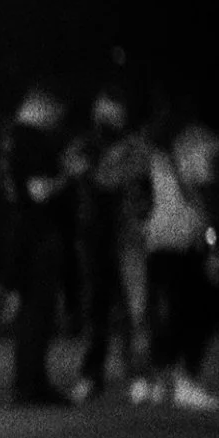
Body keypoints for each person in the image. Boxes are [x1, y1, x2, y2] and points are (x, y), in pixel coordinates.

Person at [68, 90, 153, 401]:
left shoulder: (134, 146)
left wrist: (113, 166)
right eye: (105, 108)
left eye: (115, 109)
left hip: (128, 234)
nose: (109, 115)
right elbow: (81, 173)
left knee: (135, 309)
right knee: (96, 309)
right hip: (93, 236)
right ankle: (91, 376)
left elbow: (135, 184)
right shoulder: (85, 145)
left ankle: (138, 375)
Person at [138, 106, 219, 411]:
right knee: (193, 314)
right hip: (184, 242)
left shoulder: (154, 157)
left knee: (164, 314)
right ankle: (186, 381)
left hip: (157, 243)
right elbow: (205, 197)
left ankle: (159, 381)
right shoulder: (193, 150)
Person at [0, 84, 75, 405]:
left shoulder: (12, 137)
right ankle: (32, 385)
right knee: (38, 314)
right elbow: (39, 191)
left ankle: (28, 382)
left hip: (23, 230)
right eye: (55, 112)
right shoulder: (30, 139)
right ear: (42, 106)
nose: (57, 120)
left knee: (32, 312)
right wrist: (68, 174)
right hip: (38, 233)